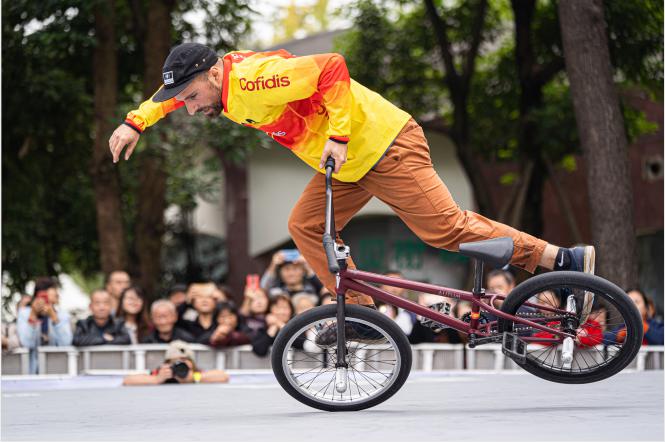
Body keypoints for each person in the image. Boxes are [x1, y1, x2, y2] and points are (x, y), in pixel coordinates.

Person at [109, 43, 595, 312]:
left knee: (444, 229)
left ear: (213, 75)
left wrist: (339, 135)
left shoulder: (253, 80)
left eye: (191, 98)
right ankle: (361, 313)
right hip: (352, 164)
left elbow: (331, 67)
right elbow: (167, 98)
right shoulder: (219, 84)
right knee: (304, 226)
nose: (188, 109)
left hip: (384, 145)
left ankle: (560, 257)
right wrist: (136, 122)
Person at [16, 277, 73, 373]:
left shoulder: (62, 315)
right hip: (31, 372)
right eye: (54, 290)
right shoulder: (24, 314)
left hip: (55, 370)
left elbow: (66, 343)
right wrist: (33, 315)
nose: (57, 294)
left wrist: (54, 317)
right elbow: (26, 343)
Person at [122, 340, 229, 386]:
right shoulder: (162, 374)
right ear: (167, 363)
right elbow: (127, 381)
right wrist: (156, 379)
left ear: (192, 363)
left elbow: (223, 376)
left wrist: (194, 378)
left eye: (184, 360)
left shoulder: (195, 374)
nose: (180, 364)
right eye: (175, 361)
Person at [376, 270, 416, 335]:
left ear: (404, 288)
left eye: (398, 284)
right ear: (381, 286)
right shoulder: (373, 307)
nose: (394, 288)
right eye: (390, 284)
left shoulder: (411, 310)